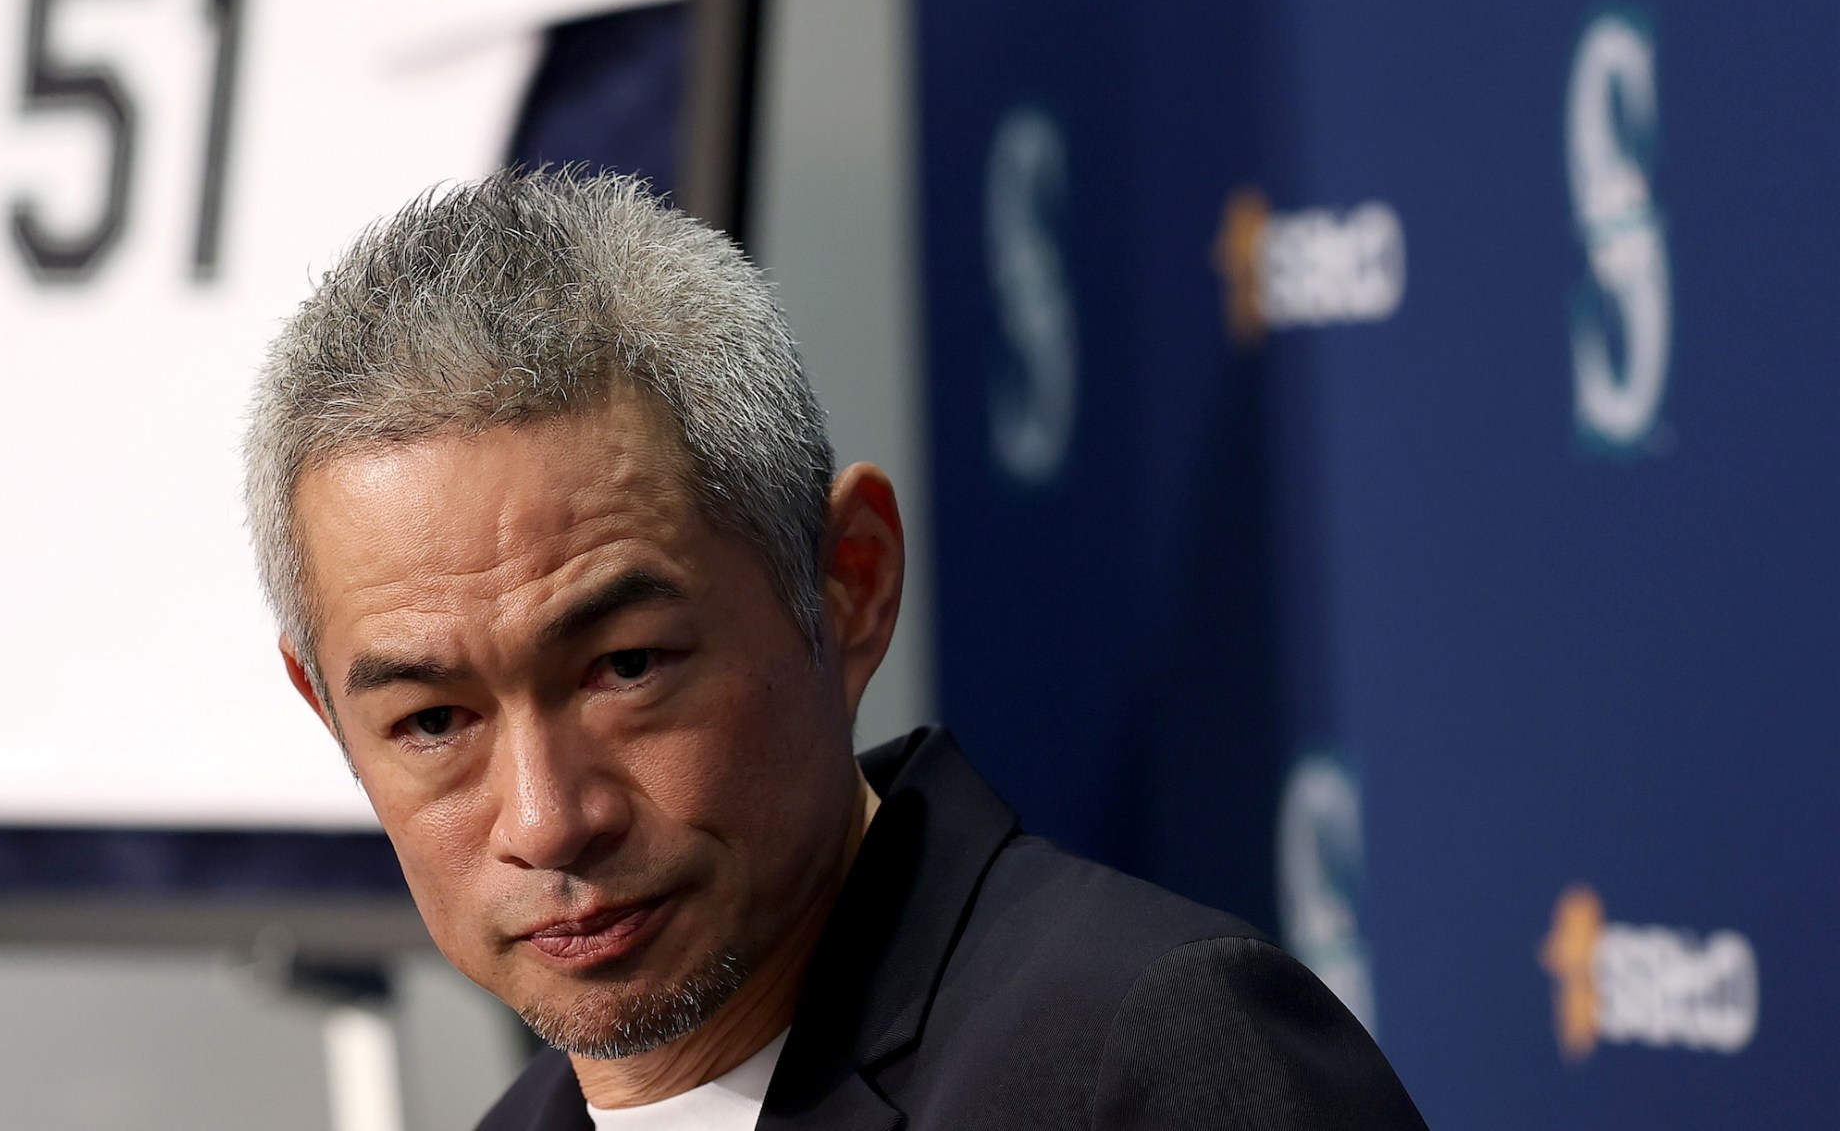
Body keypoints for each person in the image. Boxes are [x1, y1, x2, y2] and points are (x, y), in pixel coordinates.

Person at [244, 170, 1424, 1131]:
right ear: (329, 716)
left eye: (626, 665)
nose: (547, 819)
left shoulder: (1151, 1064)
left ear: (848, 584)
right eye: (433, 721)